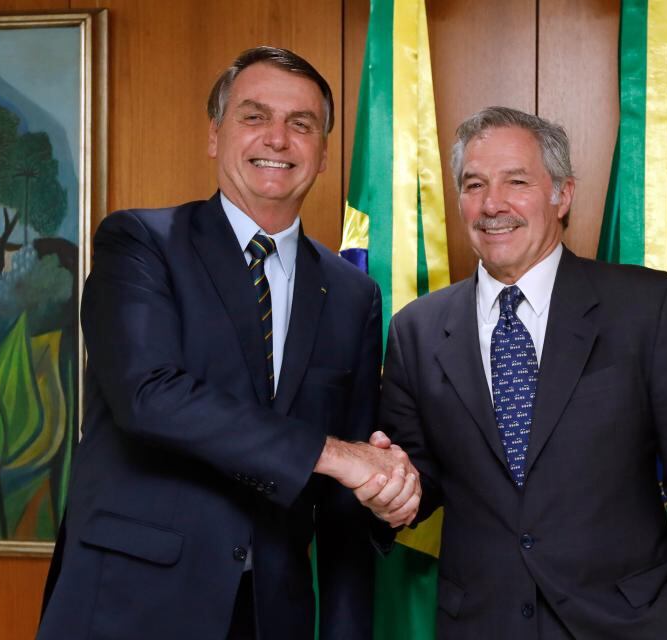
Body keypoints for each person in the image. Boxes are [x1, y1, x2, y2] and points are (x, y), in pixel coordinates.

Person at [38, 46, 419, 640]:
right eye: (254, 116)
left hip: (272, 614)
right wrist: (338, 454)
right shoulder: (139, 242)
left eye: (302, 124)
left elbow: (344, 506)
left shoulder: (352, 295)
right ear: (215, 135)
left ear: (322, 154)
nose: (278, 138)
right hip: (128, 604)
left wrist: (383, 492)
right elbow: (151, 397)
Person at [365, 106, 667, 639]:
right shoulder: (417, 330)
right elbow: (418, 483)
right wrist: (388, 485)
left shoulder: (647, 309)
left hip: (628, 626)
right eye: (474, 184)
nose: (492, 204)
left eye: (516, 181)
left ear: (562, 194)